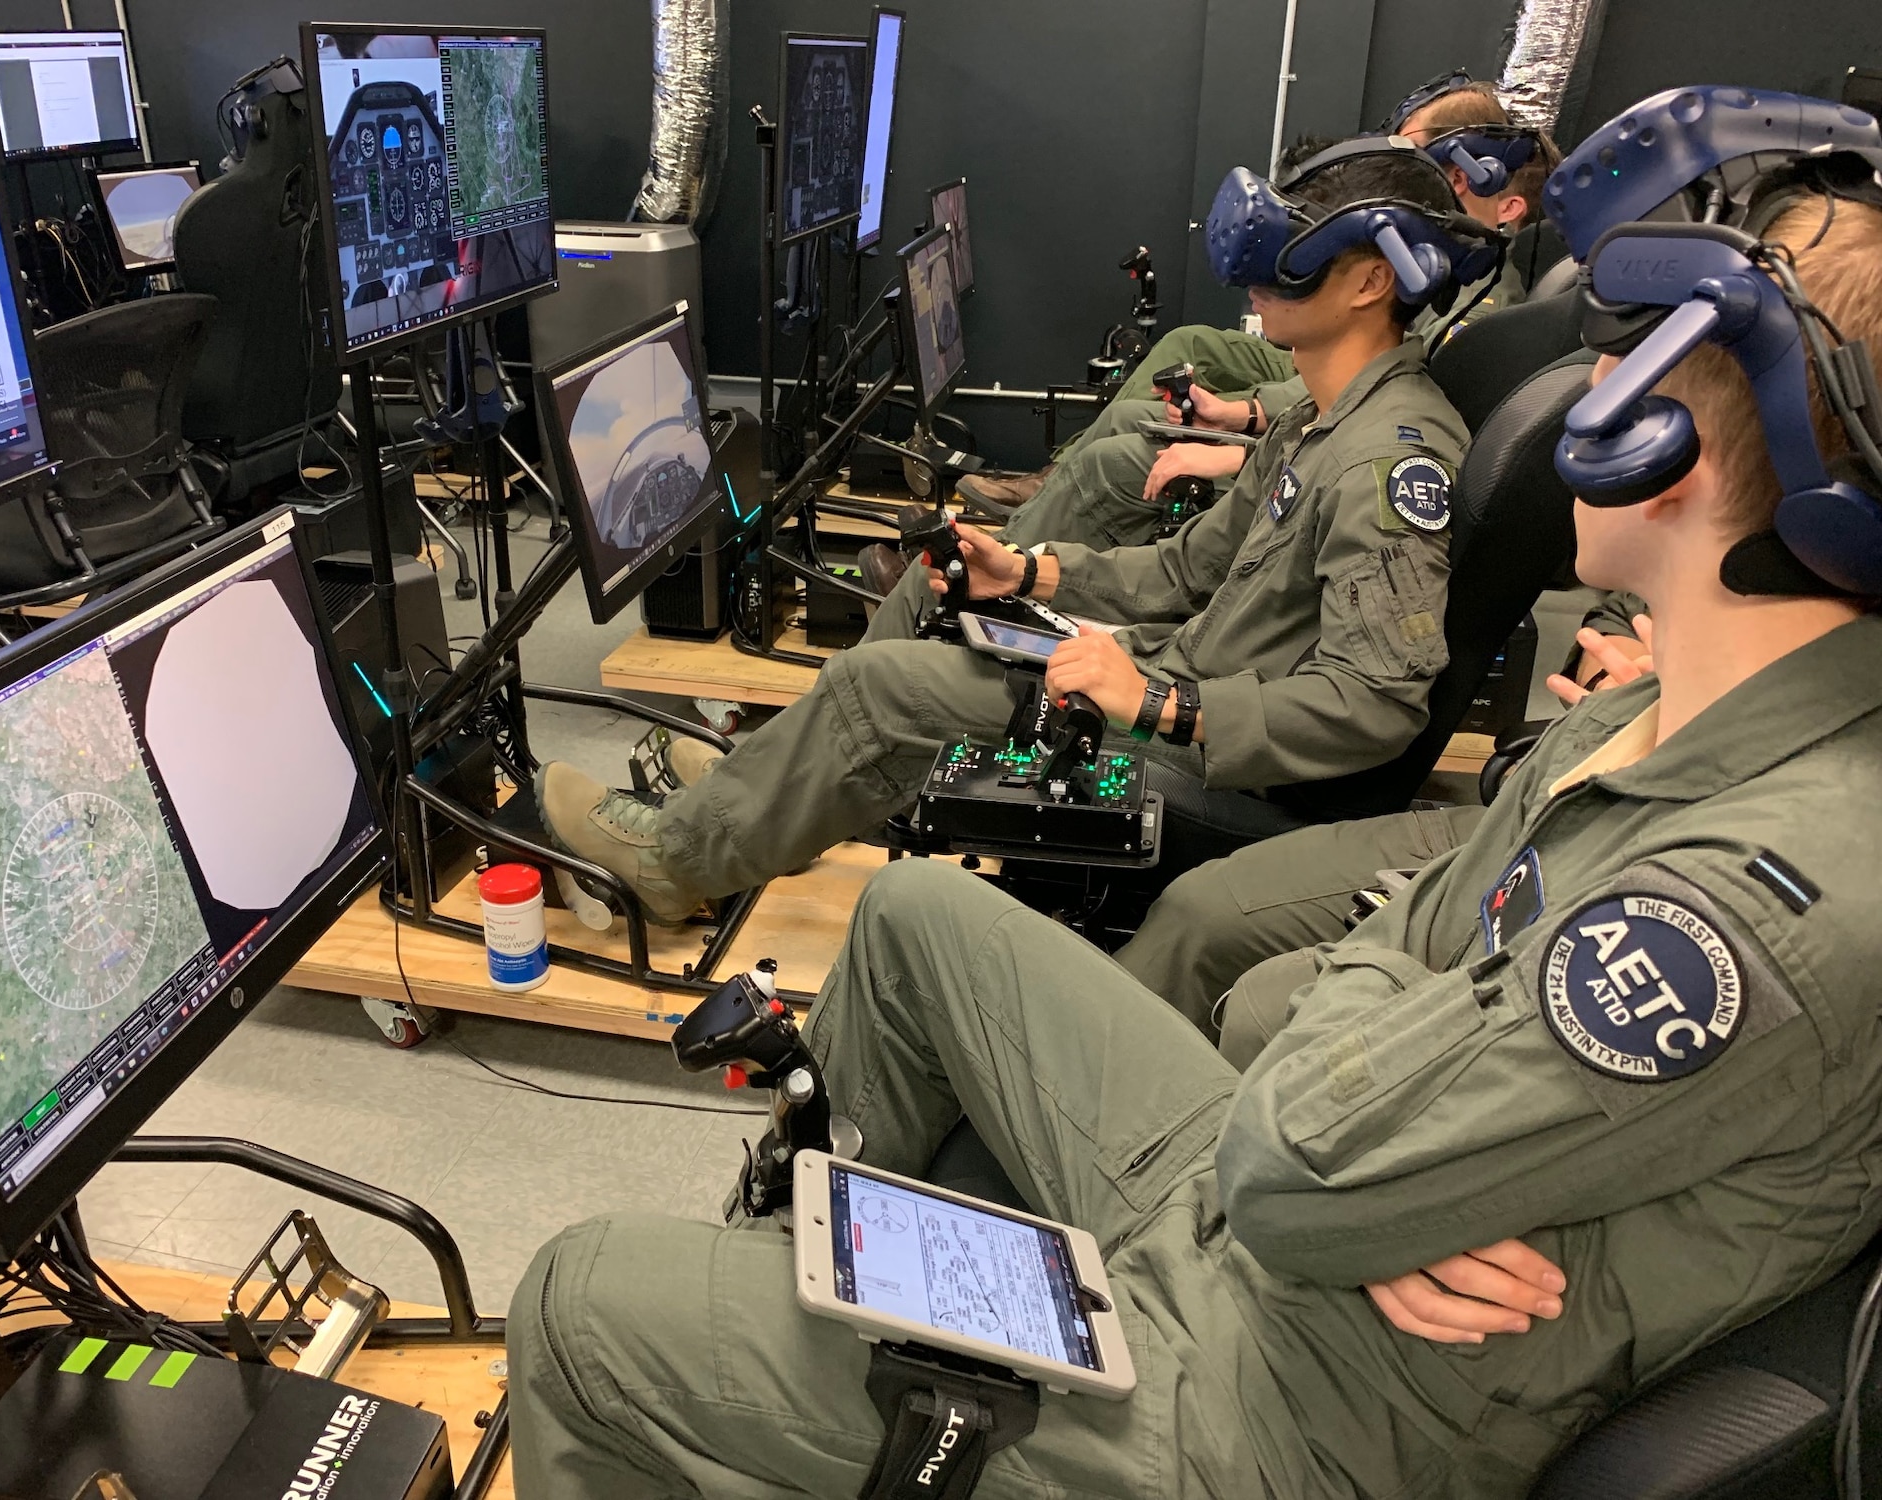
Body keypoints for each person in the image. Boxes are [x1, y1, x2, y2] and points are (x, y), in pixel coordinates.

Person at [506, 98, 1882, 1499]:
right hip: (1274, 1237)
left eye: (1632, 362)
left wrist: (1360, 1111)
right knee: (918, 915)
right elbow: (1397, 942)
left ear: (1689, 447)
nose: (1594, 393)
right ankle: (777, 1351)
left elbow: (1302, 1150)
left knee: (577, 1300)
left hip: (1276, 1404)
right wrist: (1380, 1098)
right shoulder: (1658, 718)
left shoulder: (1742, 910)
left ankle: (734, 1365)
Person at [538, 142, 1471, 926]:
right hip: (1169, 672)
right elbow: (1191, 565)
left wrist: (1163, 707)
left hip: (1198, 748)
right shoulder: (1322, 418)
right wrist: (1027, 569)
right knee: (931, 596)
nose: (1264, 280)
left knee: (875, 691)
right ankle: (754, 793)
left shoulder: (1389, 465)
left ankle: (672, 865)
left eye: (1295, 255)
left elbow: (1376, 706)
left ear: (1371, 281)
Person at [968, 75, 1554, 552]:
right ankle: (1024, 534)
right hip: (1309, 427)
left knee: (1115, 460)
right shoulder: (1391, 343)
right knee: (1176, 366)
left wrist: (1245, 424)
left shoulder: (1459, 328)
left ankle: (1004, 560)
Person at [1117, 591, 1650, 1052]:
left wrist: (1168, 706)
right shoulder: (1708, 562)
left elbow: (1373, 705)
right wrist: (1620, 687)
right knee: (1204, 912)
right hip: (1531, 807)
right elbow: (1619, 614)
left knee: (1264, 1003)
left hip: (1599, 849)